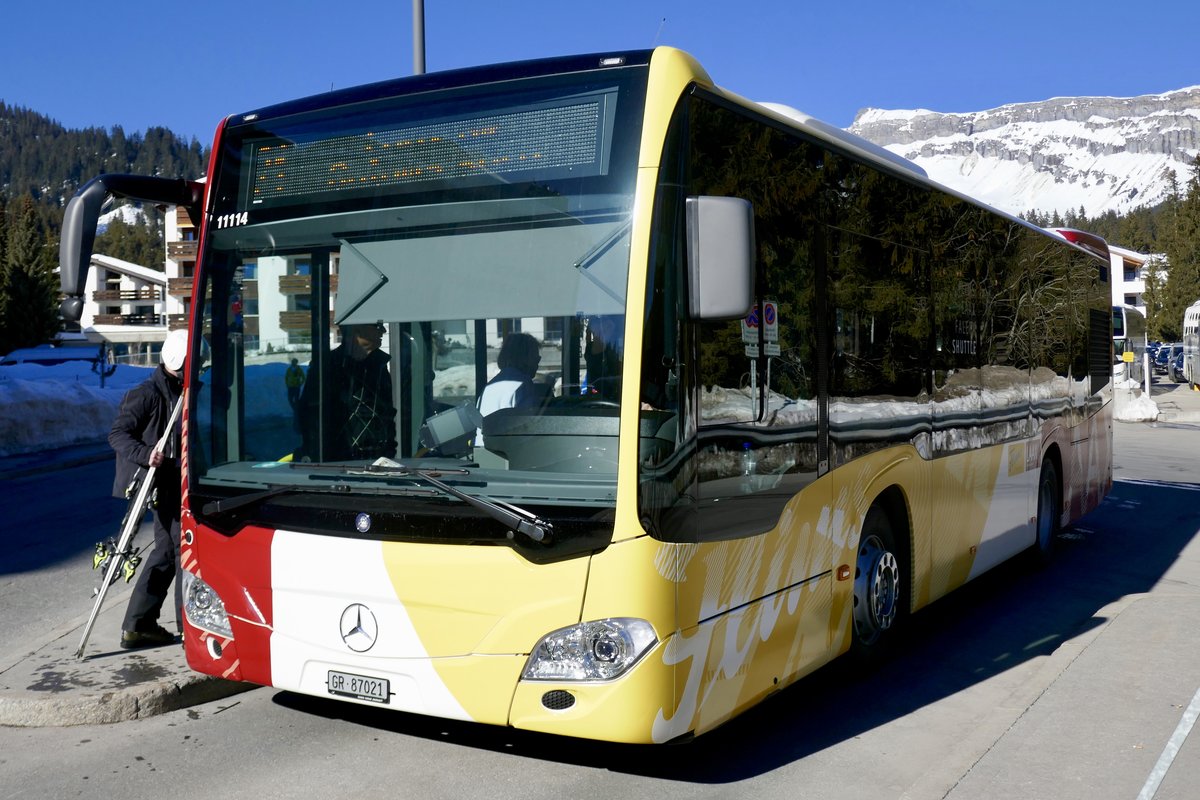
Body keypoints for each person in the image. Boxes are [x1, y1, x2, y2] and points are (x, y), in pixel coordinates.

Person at [109, 328, 187, 649]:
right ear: (176, 361)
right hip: (160, 482)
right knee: (183, 550)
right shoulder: (148, 394)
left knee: (167, 551)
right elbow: (118, 434)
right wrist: (147, 454)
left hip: (178, 479)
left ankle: (138, 625)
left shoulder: (183, 389)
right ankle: (189, 627)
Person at [297, 322, 397, 461]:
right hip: (337, 463)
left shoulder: (379, 365)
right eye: (377, 327)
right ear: (356, 330)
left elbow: (387, 414)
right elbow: (308, 414)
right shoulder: (326, 366)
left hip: (376, 461)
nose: (383, 331)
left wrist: (389, 451)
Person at [476, 332, 543, 447]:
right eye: (536, 357)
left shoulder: (490, 386)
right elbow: (529, 428)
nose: (538, 362)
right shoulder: (523, 384)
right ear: (525, 357)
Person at [584, 316, 623, 401]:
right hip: (597, 398)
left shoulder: (614, 347)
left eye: (606, 328)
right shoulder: (591, 348)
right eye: (595, 331)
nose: (598, 334)